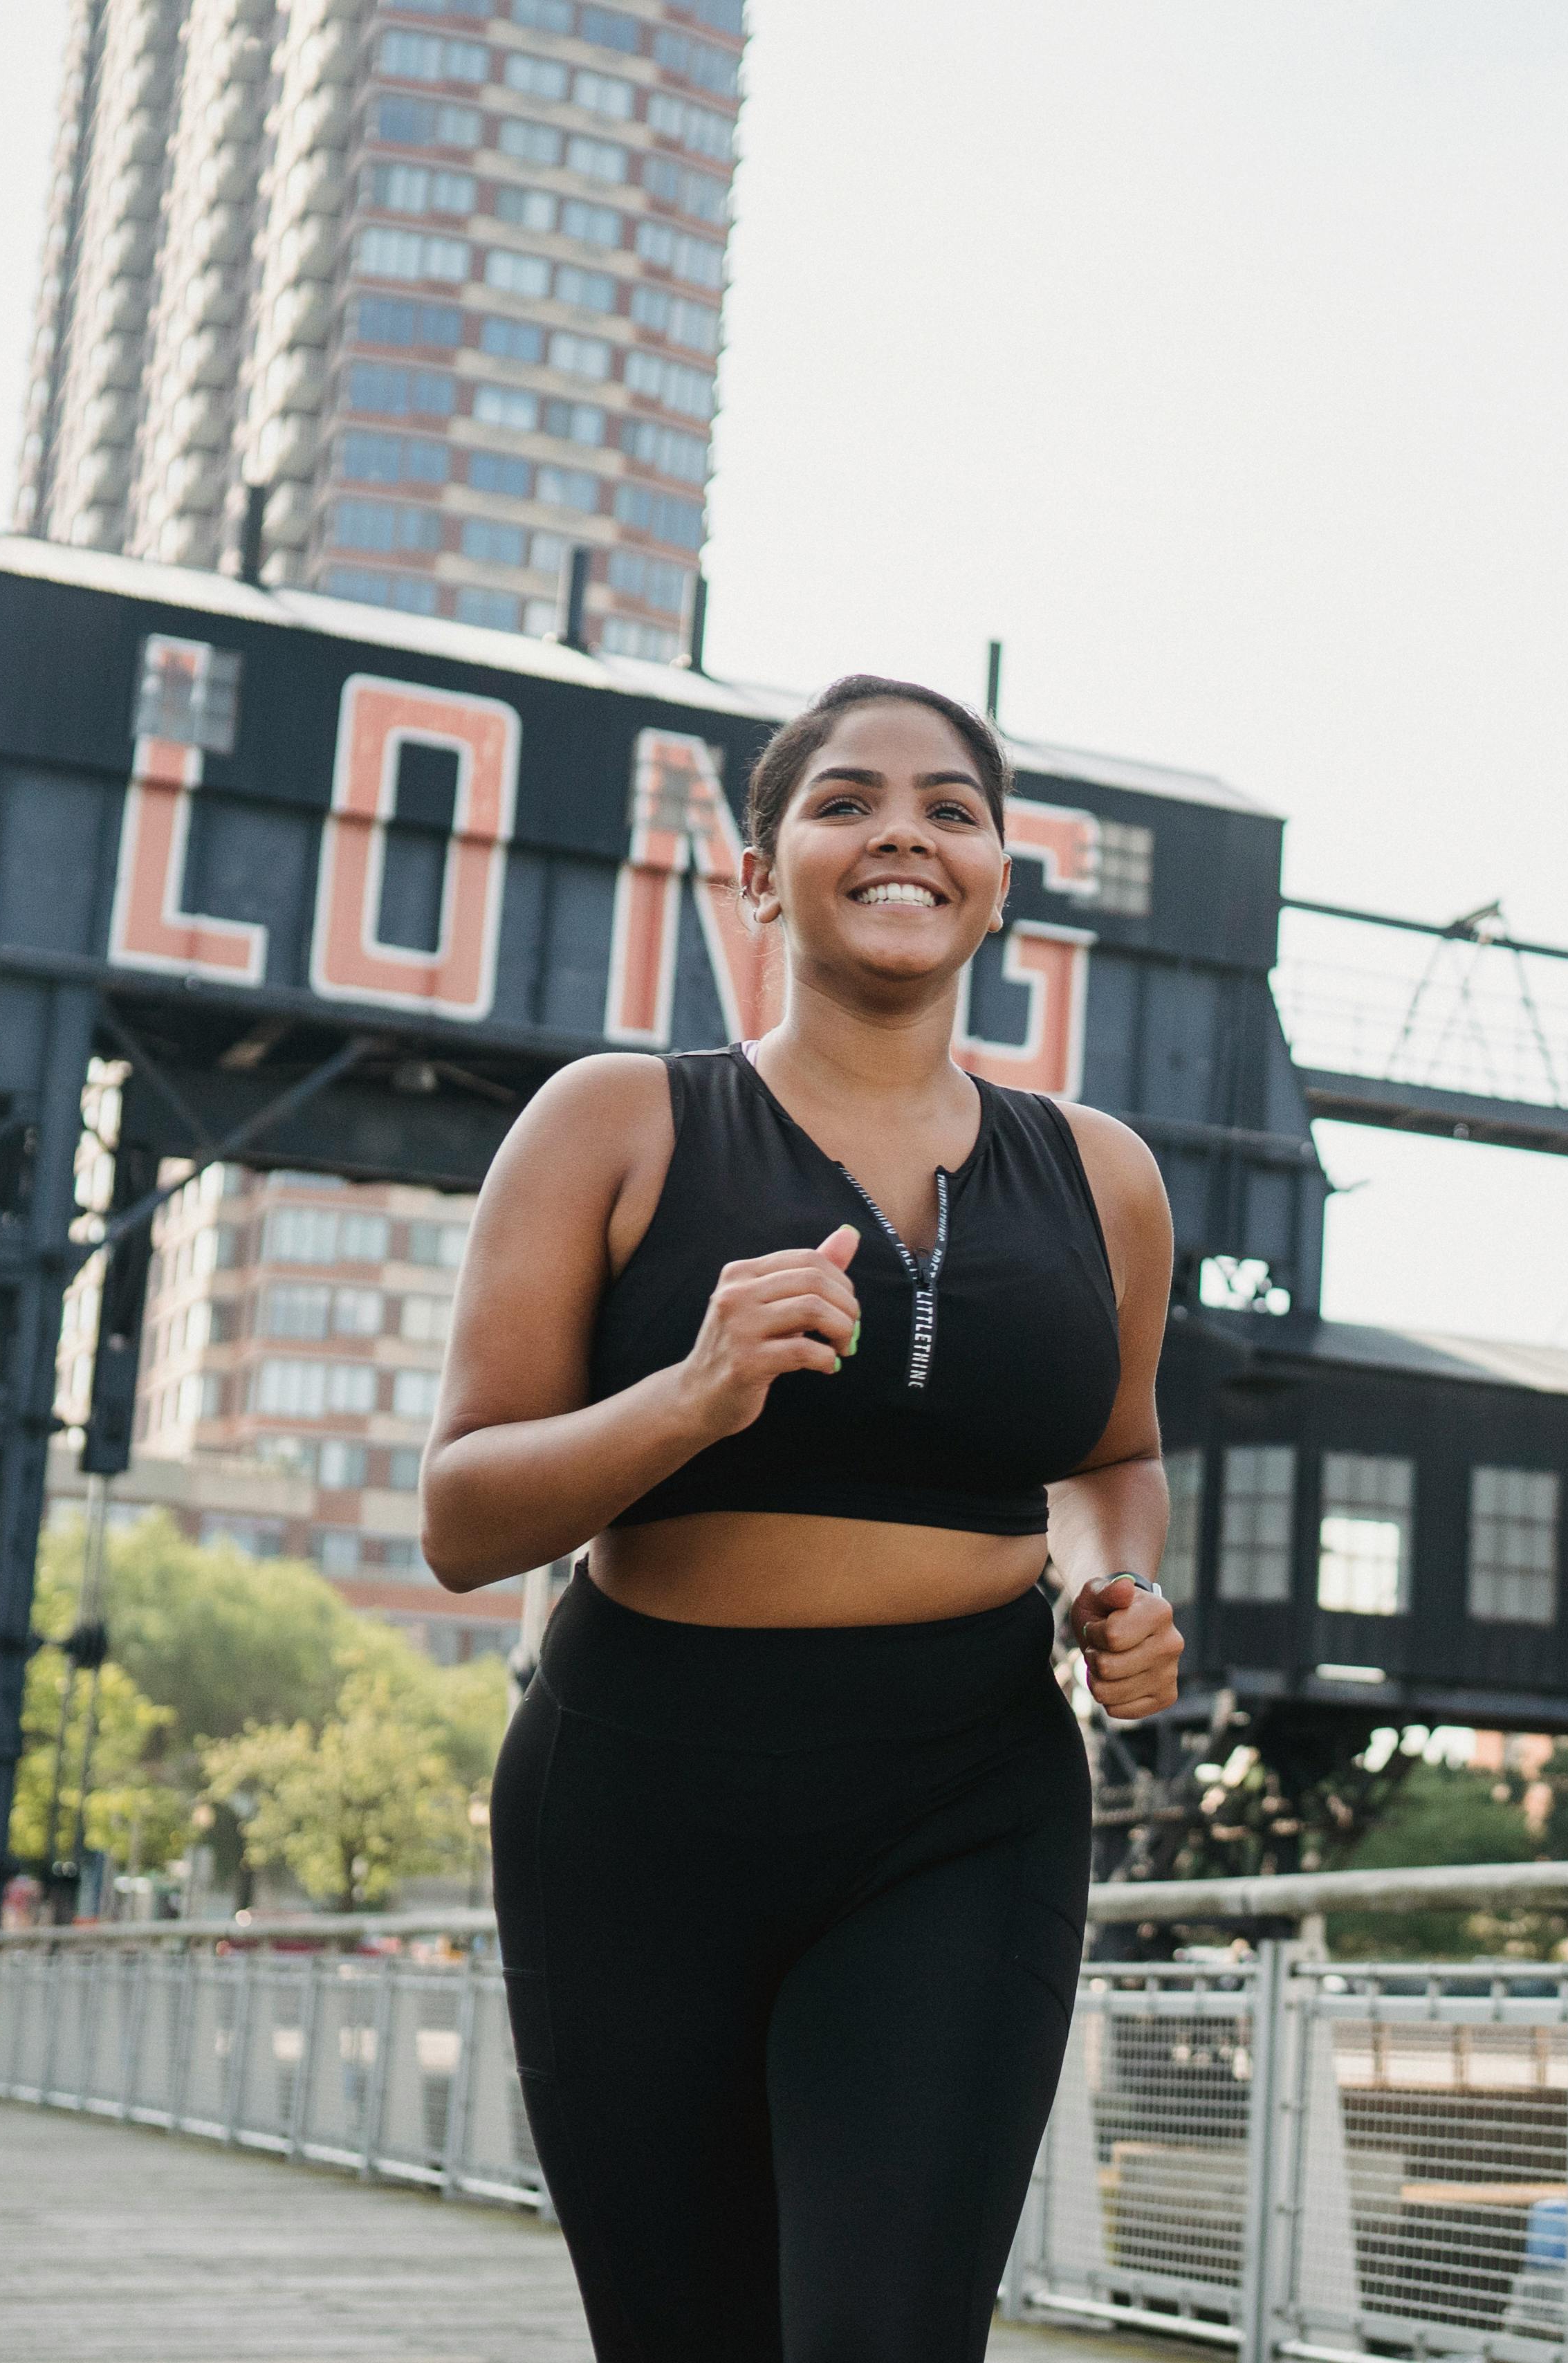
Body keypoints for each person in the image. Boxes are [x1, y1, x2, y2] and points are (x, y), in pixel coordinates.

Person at [422, 672, 1186, 2361]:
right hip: (637, 1798)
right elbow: (464, 1517)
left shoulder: (1105, 1175)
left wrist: (1117, 1592)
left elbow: (1112, 1454)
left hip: (963, 1801)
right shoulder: (617, 1121)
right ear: (760, 875)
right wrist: (690, 1395)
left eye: (950, 809)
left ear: (998, 881)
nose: (902, 828)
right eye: (844, 801)